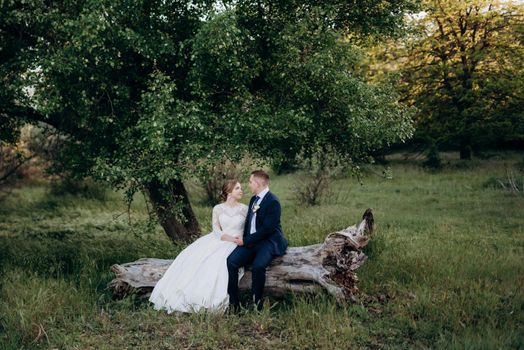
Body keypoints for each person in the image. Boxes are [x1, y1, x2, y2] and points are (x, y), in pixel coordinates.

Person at [149, 179, 248, 314]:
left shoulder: (244, 209)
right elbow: (216, 230)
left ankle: (228, 301)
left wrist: (241, 239)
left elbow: (249, 228)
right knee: (203, 262)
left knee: (223, 265)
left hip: (238, 242)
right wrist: (231, 239)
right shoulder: (218, 209)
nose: (241, 190)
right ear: (228, 191)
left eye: (240, 188)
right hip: (222, 240)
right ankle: (194, 298)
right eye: (237, 188)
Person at [227, 170, 288, 312]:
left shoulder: (273, 201)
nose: (248, 185)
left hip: (268, 241)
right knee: (231, 261)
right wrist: (243, 239)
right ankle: (234, 304)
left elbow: (268, 229)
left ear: (258, 183)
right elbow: (249, 224)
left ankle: (257, 304)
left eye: (250, 182)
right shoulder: (254, 199)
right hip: (252, 241)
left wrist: (246, 240)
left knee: (258, 266)